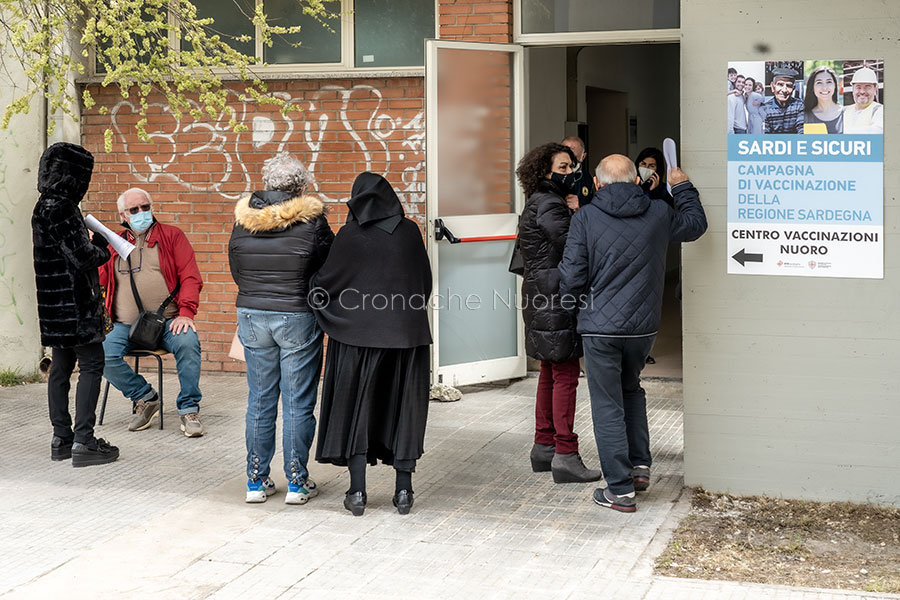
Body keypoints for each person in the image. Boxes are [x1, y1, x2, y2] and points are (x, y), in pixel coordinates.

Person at [559, 154, 707, 513]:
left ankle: (620, 490)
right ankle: (639, 467)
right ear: (638, 181)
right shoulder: (658, 212)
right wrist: (682, 187)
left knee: (607, 403)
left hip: (599, 328)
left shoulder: (586, 218)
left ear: (597, 184)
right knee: (631, 389)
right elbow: (695, 225)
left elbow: (572, 278)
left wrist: (573, 308)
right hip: (642, 327)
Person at [312, 172, 432, 517]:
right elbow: (423, 283)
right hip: (407, 338)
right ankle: (404, 492)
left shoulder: (350, 236)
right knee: (403, 411)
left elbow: (325, 283)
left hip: (357, 339)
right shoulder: (410, 232)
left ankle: (358, 492)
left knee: (357, 410)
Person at [229, 153, 334, 504]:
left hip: (251, 312)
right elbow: (329, 268)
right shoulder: (314, 222)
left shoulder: (243, 219)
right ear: (302, 186)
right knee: (297, 402)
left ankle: (256, 482)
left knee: (259, 400)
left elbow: (236, 267)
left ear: (267, 183)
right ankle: (296, 482)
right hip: (296, 314)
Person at [515, 143, 602, 484]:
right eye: (563, 168)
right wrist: (579, 212)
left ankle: (544, 447)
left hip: (540, 293)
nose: (570, 173)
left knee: (550, 371)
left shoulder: (537, 201)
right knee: (565, 372)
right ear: (545, 172)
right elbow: (573, 247)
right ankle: (565, 453)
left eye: (571, 167)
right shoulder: (551, 204)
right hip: (556, 296)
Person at [32, 142, 119, 467]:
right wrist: (102, 246)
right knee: (92, 366)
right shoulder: (63, 208)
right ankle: (85, 440)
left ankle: (61, 438)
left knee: (61, 368)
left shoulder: (42, 206)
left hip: (53, 307)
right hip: (77, 306)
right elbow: (82, 258)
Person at [98, 188, 205, 437]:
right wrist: (93, 247)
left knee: (188, 343)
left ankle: (189, 409)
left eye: (145, 207)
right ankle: (145, 397)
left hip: (169, 322)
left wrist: (186, 312)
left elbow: (190, 276)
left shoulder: (172, 236)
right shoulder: (113, 242)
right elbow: (99, 279)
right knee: (99, 353)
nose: (141, 213)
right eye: (134, 210)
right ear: (123, 215)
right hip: (123, 325)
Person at [803, 65, 844, 134]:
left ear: (835, 85)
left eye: (829, 82)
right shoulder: (805, 117)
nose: (824, 87)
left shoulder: (846, 114)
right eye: (819, 82)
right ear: (812, 87)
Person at [763, 67, 804, 134]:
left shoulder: (800, 106)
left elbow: (802, 131)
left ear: (793, 89)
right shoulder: (765, 108)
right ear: (773, 87)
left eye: (789, 86)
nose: (784, 90)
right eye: (780, 84)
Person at [843, 67, 883, 134]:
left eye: (867, 87)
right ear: (853, 89)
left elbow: (877, 131)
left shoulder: (880, 110)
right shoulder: (844, 111)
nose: (862, 91)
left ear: (875, 90)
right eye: (858, 87)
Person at [561, 136, 597, 208]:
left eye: (574, 158)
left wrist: (580, 205)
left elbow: (594, 208)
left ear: (583, 157)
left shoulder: (588, 179)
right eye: (566, 157)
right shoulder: (549, 176)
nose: (570, 162)